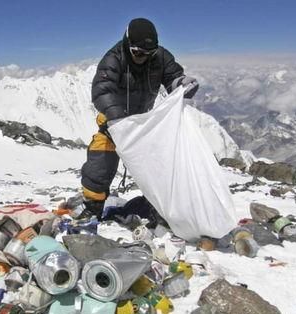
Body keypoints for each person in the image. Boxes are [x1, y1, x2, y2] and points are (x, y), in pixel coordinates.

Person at [68, 18, 199, 218]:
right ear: (128, 44)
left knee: (160, 165)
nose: (143, 57)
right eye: (138, 52)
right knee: (100, 164)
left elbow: (172, 77)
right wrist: (118, 119)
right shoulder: (114, 59)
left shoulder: (160, 57)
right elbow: (102, 91)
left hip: (143, 125)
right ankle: (93, 209)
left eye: (149, 53)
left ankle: (159, 208)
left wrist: (181, 84)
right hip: (113, 125)